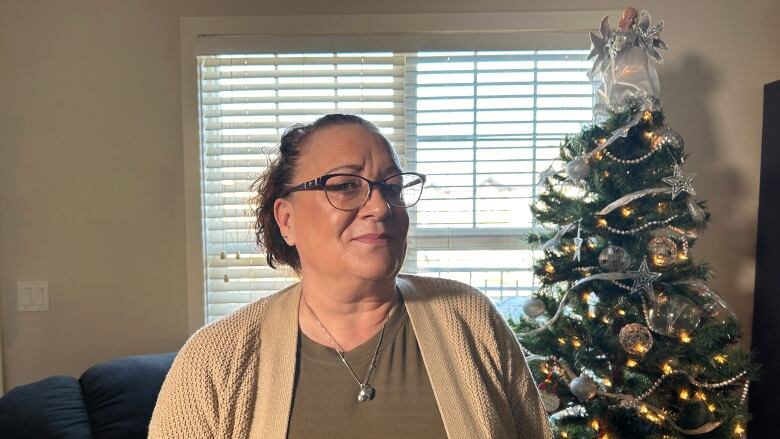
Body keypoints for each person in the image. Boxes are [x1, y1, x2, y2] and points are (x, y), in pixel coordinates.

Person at [148, 114, 553, 439]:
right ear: (286, 220)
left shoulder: (470, 318)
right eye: (344, 186)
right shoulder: (213, 362)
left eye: (392, 187)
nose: (380, 206)